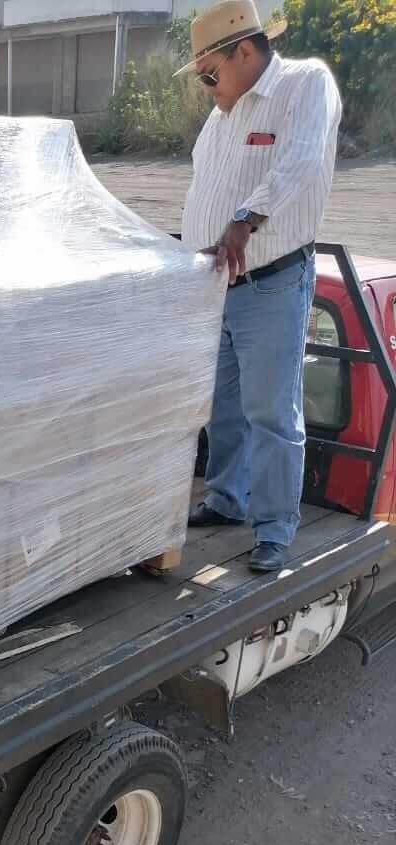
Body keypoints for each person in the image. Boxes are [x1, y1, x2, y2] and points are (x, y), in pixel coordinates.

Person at [178, 1, 342, 572]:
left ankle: (274, 528)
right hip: (213, 286)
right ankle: (227, 498)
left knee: (271, 411)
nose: (207, 88)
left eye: (210, 74)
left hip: (270, 283)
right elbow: (205, 191)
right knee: (221, 406)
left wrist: (245, 220)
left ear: (244, 51)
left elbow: (300, 163)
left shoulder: (305, 85)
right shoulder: (223, 115)